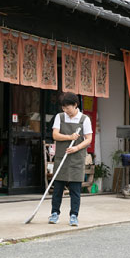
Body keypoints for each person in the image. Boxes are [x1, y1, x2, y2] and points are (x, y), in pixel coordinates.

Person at [49, 92, 93, 226]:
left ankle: (74, 215)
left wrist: (76, 147)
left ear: (75, 105)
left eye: (68, 108)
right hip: (61, 156)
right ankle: (54, 213)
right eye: (63, 108)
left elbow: (89, 139)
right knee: (58, 189)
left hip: (76, 157)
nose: (65, 111)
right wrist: (69, 137)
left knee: (75, 190)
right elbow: (55, 135)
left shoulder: (84, 119)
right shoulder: (60, 117)